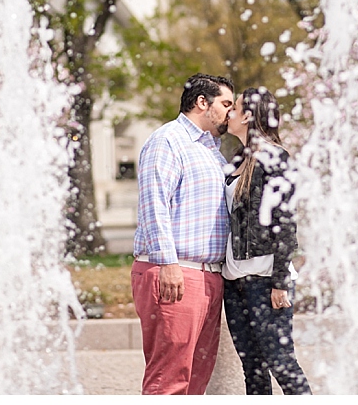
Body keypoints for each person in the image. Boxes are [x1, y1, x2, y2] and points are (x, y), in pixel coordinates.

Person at [131, 73, 235, 395]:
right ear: (202, 102)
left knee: (196, 381)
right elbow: (154, 204)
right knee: (169, 380)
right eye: (226, 104)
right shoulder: (167, 140)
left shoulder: (212, 151)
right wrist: (168, 263)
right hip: (175, 272)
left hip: (209, 277)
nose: (230, 112)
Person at [222, 87, 312, 395]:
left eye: (234, 108)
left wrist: (280, 282)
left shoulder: (275, 158)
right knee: (253, 369)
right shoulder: (239, 158)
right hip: (235, 282)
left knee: (281, 363)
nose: (229, 113)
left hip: (265, 281)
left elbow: (286, 222)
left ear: (248, 115)